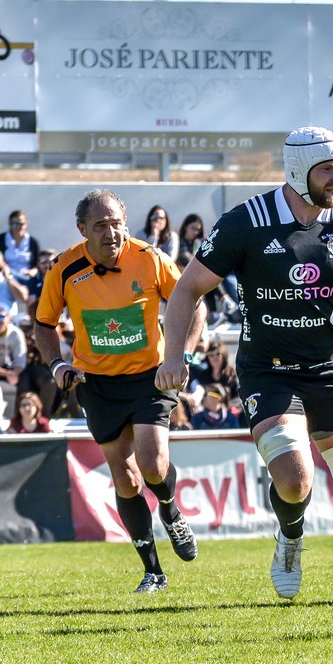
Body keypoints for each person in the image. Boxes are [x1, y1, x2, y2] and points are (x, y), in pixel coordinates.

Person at [156, 126, 333, 621]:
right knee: (294, 478)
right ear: (299, 170)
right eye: (328, 169)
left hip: (332, 368)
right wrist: (175, 356)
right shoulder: (248, 221)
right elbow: (186, 290)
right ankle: (290, 533)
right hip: (269, 370)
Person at [35, 189, 204, 593]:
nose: (112, 233)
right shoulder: (63, 268)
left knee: (152, 462)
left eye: (117, 224)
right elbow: (44, 324)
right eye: (101, 226)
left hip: (151, 376)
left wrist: (184, 356)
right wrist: (58, 364)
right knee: (125, 480)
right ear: (82, 229)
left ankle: (169, 507)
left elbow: (193, 303)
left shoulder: (149, 258)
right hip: (97, 383)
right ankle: (153, 571)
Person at [0, 210, 41, 279]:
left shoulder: (32, 242)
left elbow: (38, 263)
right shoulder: (1, 239)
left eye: (21, 224)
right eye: (14, 224)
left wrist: (33, 271)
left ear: (26, 224)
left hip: (28, 277)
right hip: (5, 277)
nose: (17, 227)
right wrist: (4, 267)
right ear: (9, 224)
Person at [0, 248, 29, 316]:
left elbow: (23, 297)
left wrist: (8, 278)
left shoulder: (11, 277)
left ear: (2, 264)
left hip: (10, 319)